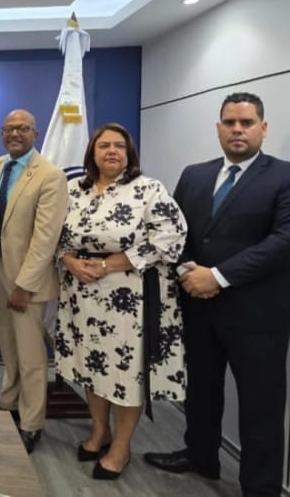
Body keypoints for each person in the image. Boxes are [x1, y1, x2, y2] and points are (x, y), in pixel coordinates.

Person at [144, 93, 290, 497]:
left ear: (263, 128)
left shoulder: (284, 176)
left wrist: (219, 277)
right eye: (230, 122)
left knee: (261, 405)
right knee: (201, 391)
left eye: (247, 122)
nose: (237, 130)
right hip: (198, 307)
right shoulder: (194, 175)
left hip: (258, 317)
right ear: (218, 128)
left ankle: (260, 487)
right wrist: (188, 271)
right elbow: (173, 231)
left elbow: (283, 241)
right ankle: (201, 456)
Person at [54, 123, 187, 480]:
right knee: (92, 367)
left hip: (131, 300)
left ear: (129, 154)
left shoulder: (148, 189)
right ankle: (99, 432)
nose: (112, 151)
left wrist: (107, 265)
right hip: (82, 296)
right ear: (92, 153)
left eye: (119, 146)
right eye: (104, 145)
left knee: (126, 374)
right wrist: (69, 260)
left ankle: (121, 447)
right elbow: (55, 236)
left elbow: (172, 237)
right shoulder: (73, 190)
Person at [0, 109, 68, 453]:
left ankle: (32, 423)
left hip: (28, 281)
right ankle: (9, 405)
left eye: (22, 128)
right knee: (8, 346)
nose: (15, 134)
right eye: (9, 129)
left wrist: (25, 285)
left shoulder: (50, 175)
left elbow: (46, 238)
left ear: (35, 134)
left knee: (31, 354)